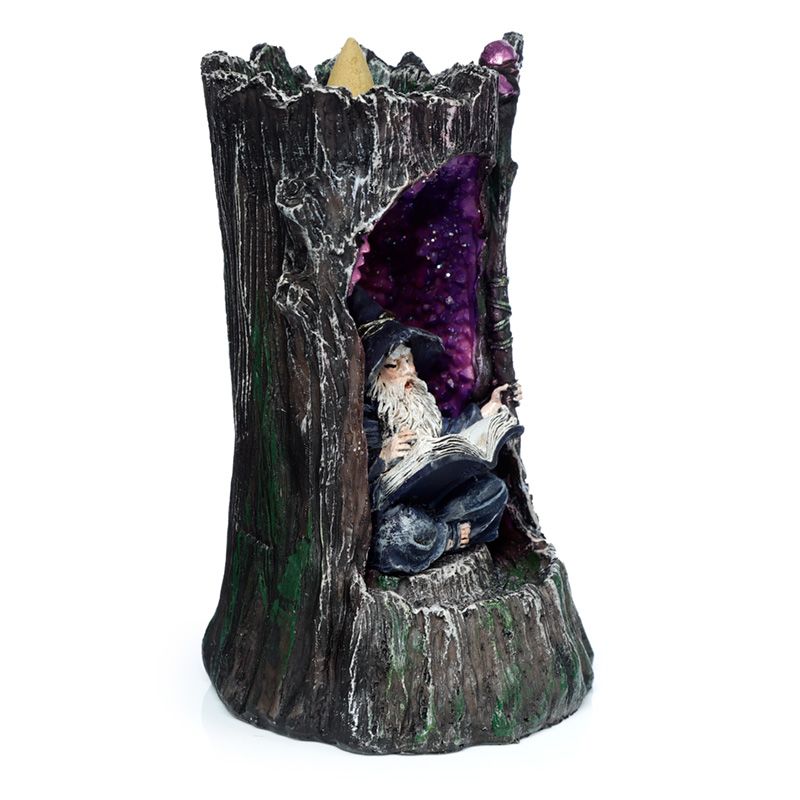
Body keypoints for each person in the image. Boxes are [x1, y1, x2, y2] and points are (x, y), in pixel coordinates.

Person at [348, 286, 523, 574]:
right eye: (394, 365)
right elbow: (355, 474)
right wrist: (384, 456)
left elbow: (451, 431)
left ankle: (437, 534)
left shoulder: (422, 406)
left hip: (437, 500)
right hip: (397, 508)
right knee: (400, 530)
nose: (408, 371)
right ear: (375, 378)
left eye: (409, 361)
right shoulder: (371, 418)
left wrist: (491, 406)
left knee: (493, 491)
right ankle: (448, 536)